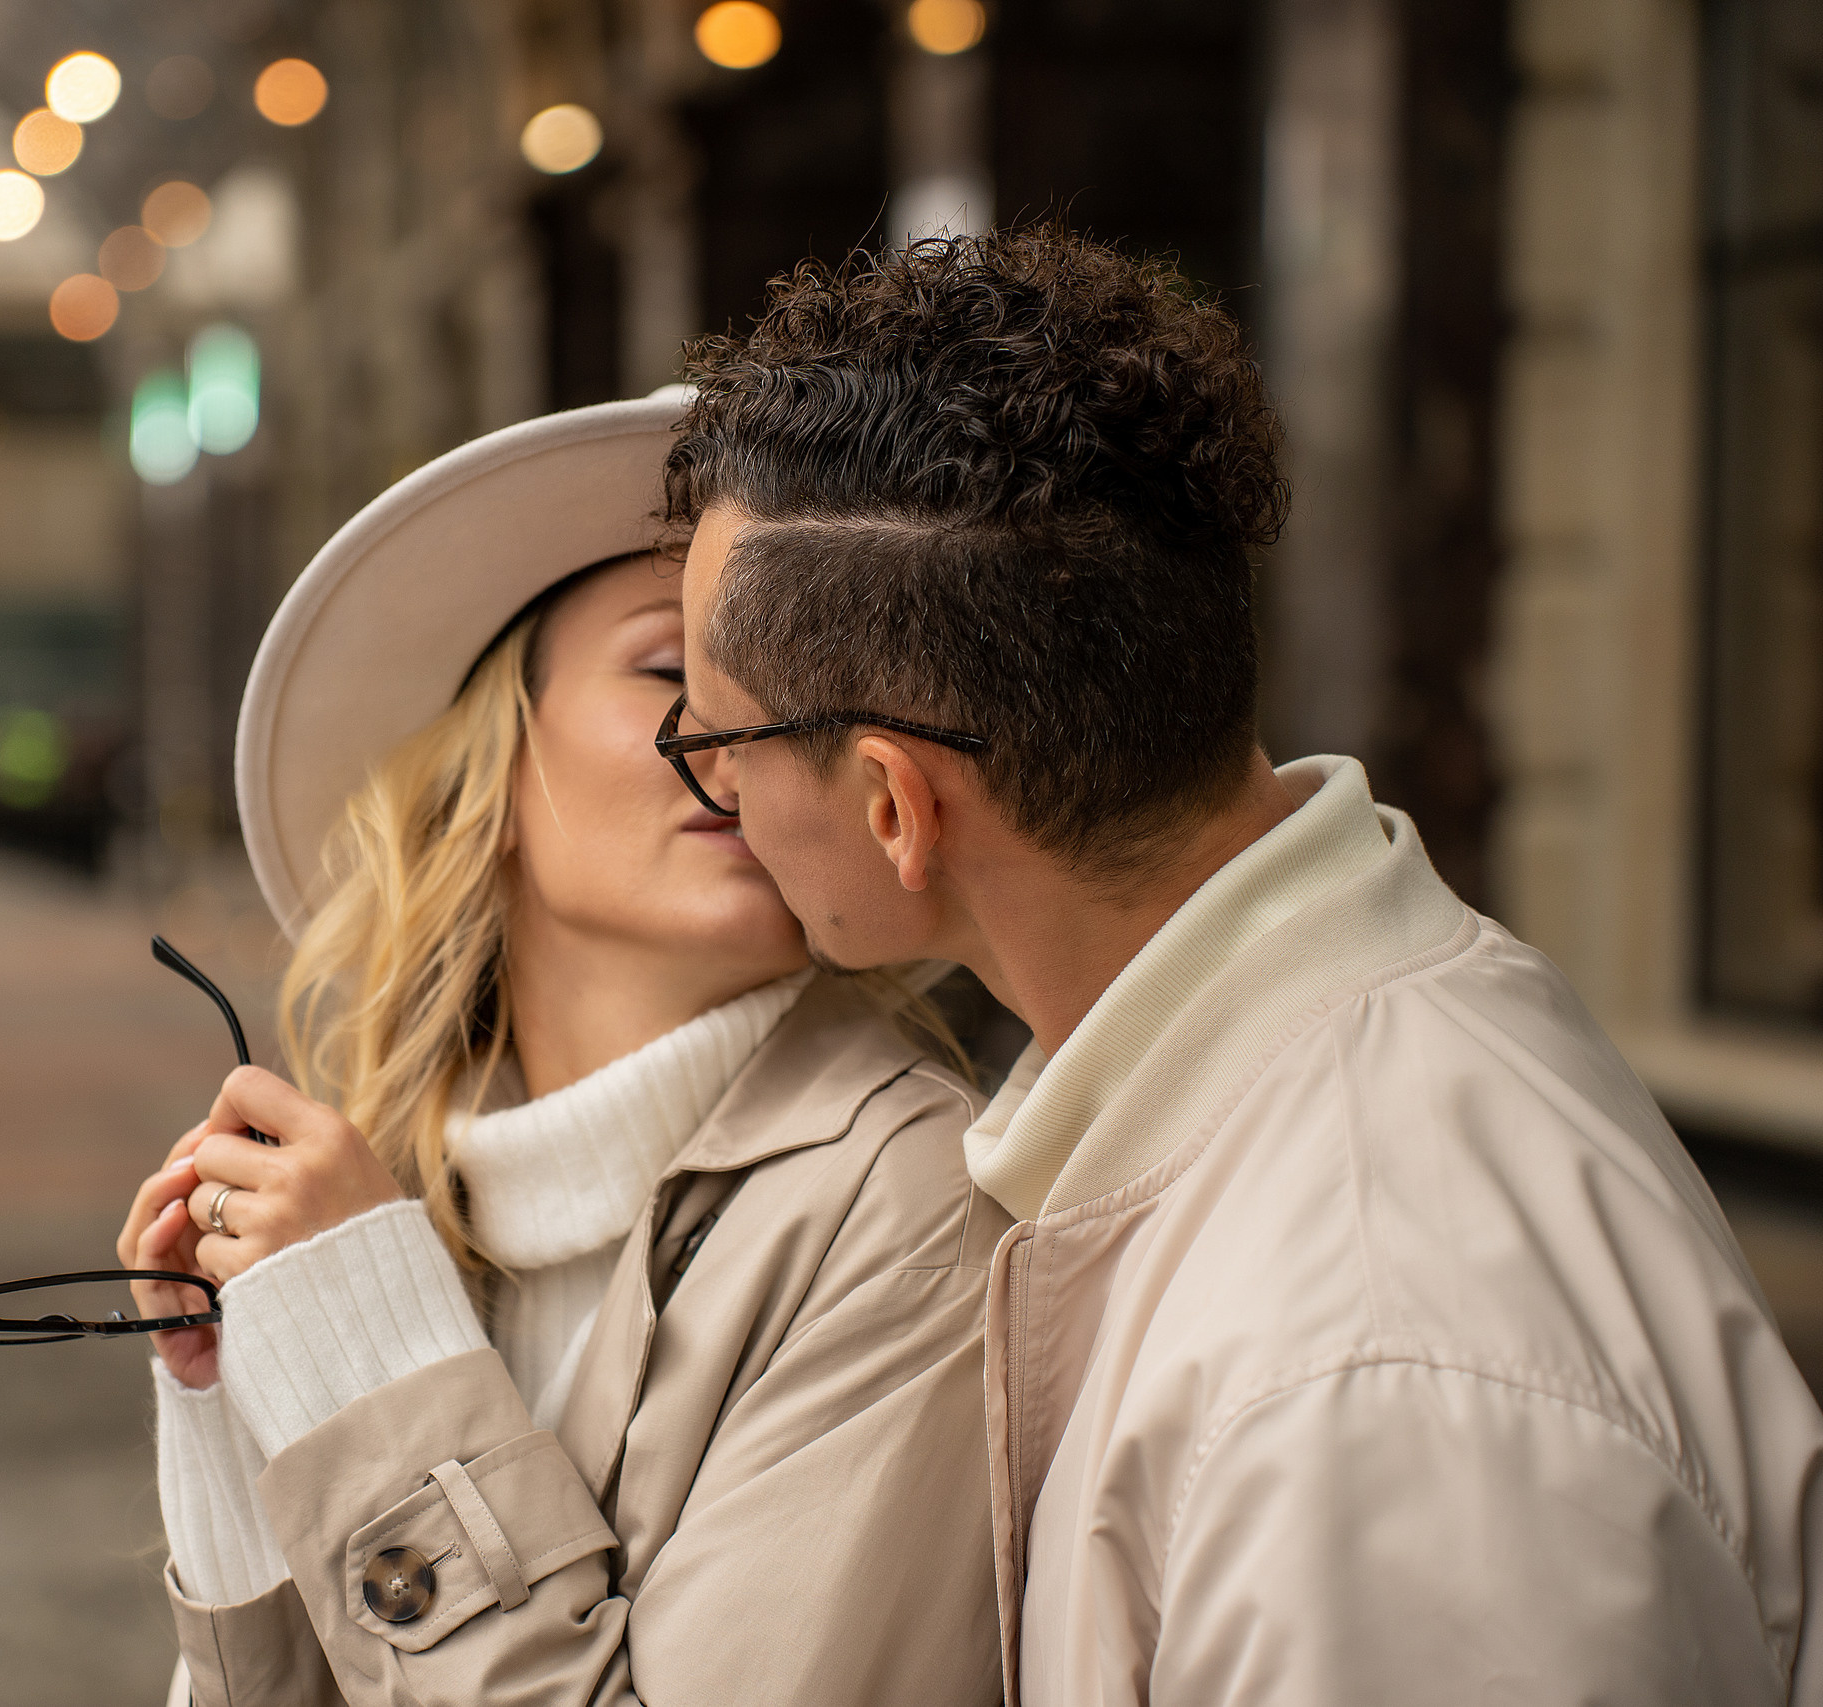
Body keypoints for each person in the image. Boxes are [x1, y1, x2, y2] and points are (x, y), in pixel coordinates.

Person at [661, 223, 1823, 1704]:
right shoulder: (1345, 1082)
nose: (714, 801)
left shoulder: (1369, 1391)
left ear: (897, 806)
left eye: (714, 741)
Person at [116, 397, 1010, 1707]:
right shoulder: (385, 1202)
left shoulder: (913, 1206)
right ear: (496, 764)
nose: (747, 746)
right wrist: (233, 1406)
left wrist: (373, 1366)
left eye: (798, 696)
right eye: (675, 677)